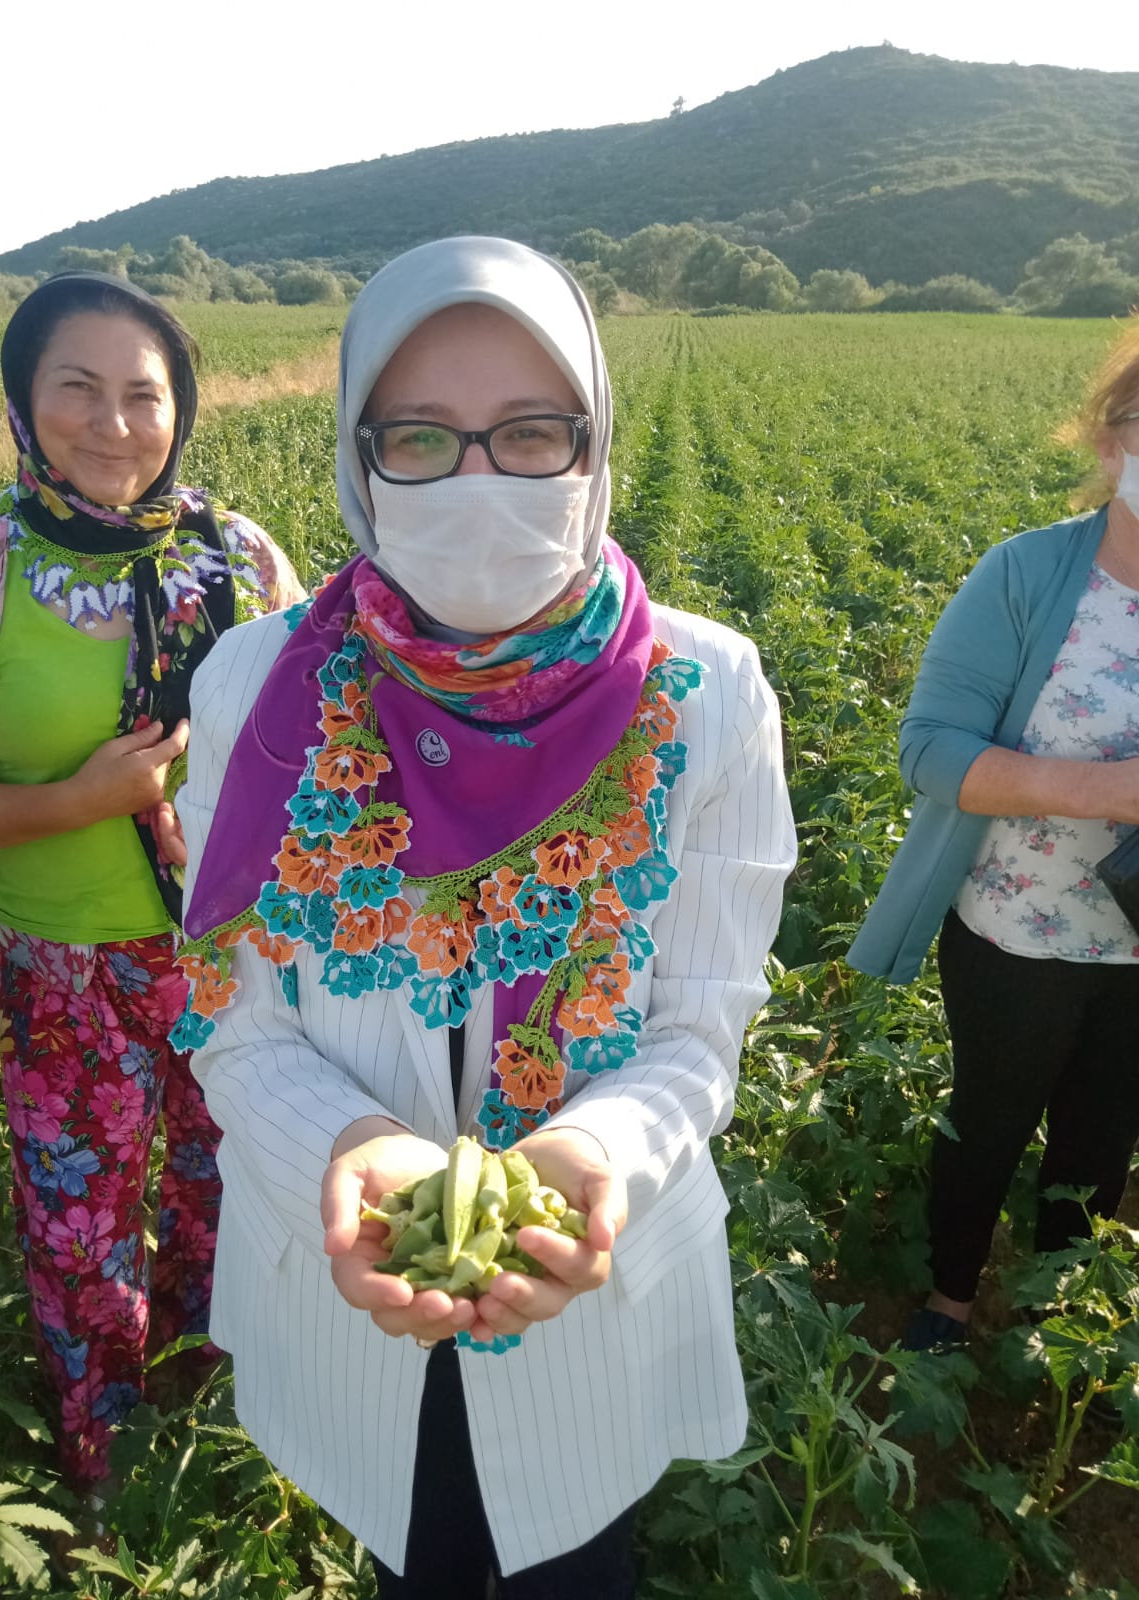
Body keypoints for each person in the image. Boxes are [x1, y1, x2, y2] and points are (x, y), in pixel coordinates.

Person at [174, 235, 796, 1598]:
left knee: (573, 1556)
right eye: (421, 437)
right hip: (358, 1294)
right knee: (412, 1556)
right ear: (359, 454)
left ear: (592, 445)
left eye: (527, 434)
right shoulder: (256, 692)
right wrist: (341, 1154)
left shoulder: (706, 693)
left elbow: (698, 1032)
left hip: (591, 1285)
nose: (478, 481)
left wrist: (589, 1157)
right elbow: (233, 1018)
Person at [0, 271, 304, 1493]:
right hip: (61, 960)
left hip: (233, 957)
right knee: (80, 1220)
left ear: (180, 405)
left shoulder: (243, 560)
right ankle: (108, 1454)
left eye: (142, 395)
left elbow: (320, 749)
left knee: (233, 1192)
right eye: (76, 389)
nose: (113, 425)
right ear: (24, 399)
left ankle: (215, 1425)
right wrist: (77, 804)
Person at [848, 316, 1139, 1352]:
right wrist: (1111, 793)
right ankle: (951, 1298)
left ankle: (1059, 1310)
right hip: (1020, 932)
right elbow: (930, 751)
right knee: (987, 1124)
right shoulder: (1025, 577)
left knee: (1103, 1140)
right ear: (1112, 441)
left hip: (1136, 953)